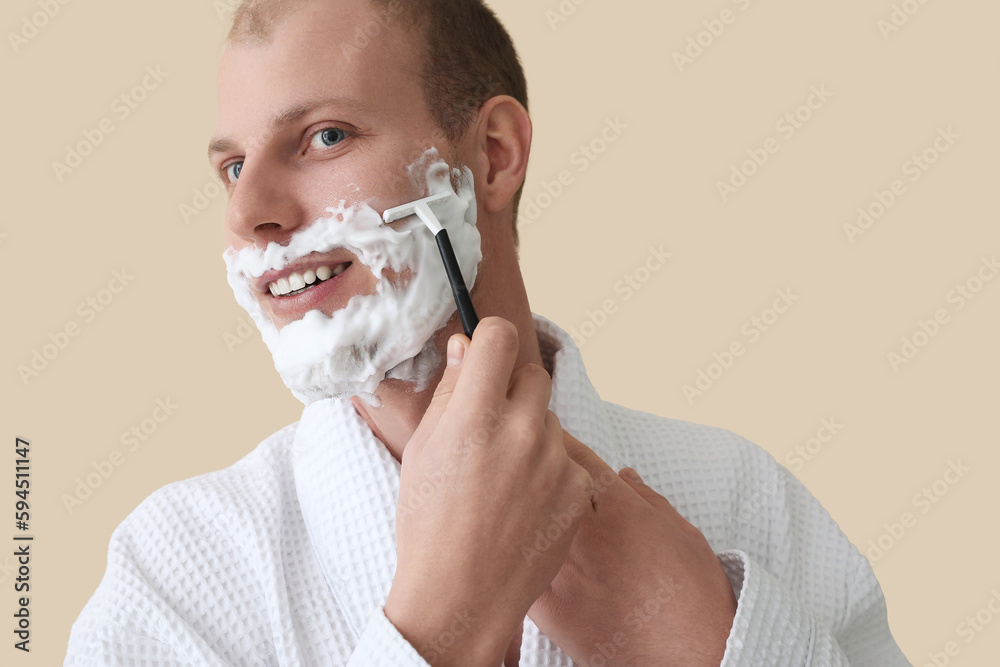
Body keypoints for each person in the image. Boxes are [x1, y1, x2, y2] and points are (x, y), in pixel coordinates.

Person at [66, 0, 910, 665]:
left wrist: (715, 642)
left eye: (323, 136)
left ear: (495, 156)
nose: (250, 214)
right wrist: (437, 629)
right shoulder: (172, 576)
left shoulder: (742, 498)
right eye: (232, 167)